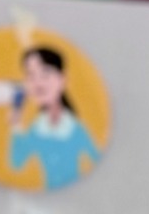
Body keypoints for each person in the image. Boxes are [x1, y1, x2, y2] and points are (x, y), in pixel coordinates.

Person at [6, 45, 103, 191]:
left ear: (62, 79)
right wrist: (16, 126)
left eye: (45, 73)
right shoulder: (37, 129)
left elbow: (97, 159)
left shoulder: (75, 128)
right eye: (31, 76)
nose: (38, 83)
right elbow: (16, 164)